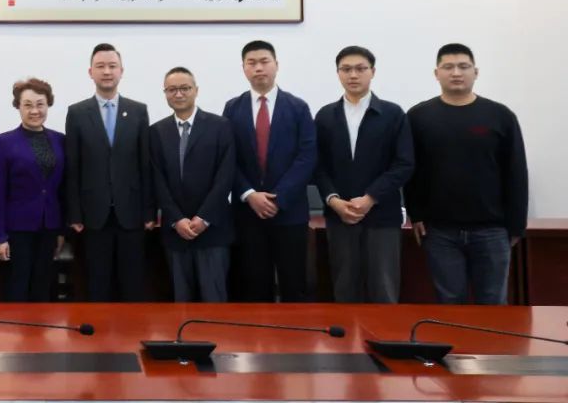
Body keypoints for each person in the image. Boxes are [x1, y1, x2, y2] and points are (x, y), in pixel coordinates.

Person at [406, 43, 528, 305]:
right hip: (439, 231)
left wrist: (517, 224)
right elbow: (410, 170)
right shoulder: (418, 117)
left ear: (476, 72)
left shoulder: (500, 115)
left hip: (492, 230)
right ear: (436, 73)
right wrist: (415, 214)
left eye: (463, 66)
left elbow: (516, 172)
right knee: (450, 304)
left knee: (493, 303)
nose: (456, 73)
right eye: (448, 67)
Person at [313, 46, 414, 304]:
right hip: (340, 217)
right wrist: (333, 200)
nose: (353, 75)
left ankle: (386, 333)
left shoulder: (392, 114)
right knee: (345, 288)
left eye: (360, 69)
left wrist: (370, 197)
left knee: (384, 289)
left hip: (382, 216)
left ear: (373, 72)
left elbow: (404, 164)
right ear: (338, 73)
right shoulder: (325, 116)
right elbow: (317, 165)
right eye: (346, 69)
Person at [223, 40, 316, 302]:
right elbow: (228, 158)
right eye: (251, 63)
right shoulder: (232, 108)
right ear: (244, 68)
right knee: (253, 286)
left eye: (264, 61)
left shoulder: (298, 107)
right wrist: (249, 194)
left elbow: (307, 156)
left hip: (289, 212)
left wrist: (279, 197)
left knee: (294, 284)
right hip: (248, 213)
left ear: (276, 65)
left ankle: (295, 330)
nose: (258, 68)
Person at [64, 43, 154, 302]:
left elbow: (145, 164)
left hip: (132, 213)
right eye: (100, 66)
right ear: (90, 72)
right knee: (97, 283)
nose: (106, 71)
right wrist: (74, 213)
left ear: (121, 71)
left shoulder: (138, 111)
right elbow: (73, 167)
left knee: (132, 284)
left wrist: (149, 211)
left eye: (112, 66)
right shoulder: (77, 113)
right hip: (93, 215)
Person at [150, 67, 235, 302]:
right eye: (172, 89)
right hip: (175, 231)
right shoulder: (156, 132)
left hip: (213, 229)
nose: (178, 94)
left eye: (184, 88)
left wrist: (204, 217)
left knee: (213, 301)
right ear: (165, 93)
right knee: (181, 302)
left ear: (196, 90)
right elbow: (157, 179)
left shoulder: (220, 126)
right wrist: (176, 219)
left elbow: (225, 176)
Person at [0, 78, 66, 302]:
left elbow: (62, 188)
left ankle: (39, 326)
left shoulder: (60, 140)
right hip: (17, 229)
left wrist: (61, 231)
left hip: (49, 226)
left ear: (48, 104)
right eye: (28, 105)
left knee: (43, 286)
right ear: (18, 106)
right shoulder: (3, 142)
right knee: (18, 286)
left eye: (40, 104)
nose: (35, 111)